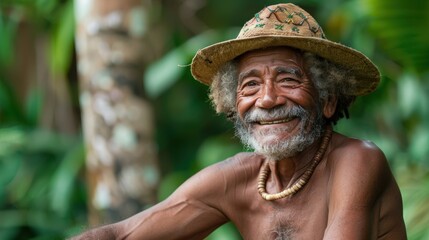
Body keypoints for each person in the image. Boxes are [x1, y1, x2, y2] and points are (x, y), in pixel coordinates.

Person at [71, 3, 406, 239]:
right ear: (233, 104)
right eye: (250, 85)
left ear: (328, 100)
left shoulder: (357, 161)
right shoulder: (240, 178)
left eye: (288, 80)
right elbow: (121, 234)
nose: (267, 99)